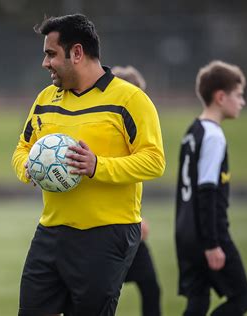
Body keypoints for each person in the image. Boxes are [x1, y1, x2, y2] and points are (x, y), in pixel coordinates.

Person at [11, 14, 165, 316]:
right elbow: (23, 147)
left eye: (51, 53)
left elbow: (154, 161)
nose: (45, 63)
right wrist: (26, 166)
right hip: (51, 231)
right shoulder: (45, 99)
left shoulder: (130, 99)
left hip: (107, 235)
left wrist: (97, 166)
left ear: (77, 53)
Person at [175, 60, 247, 316]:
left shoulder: (192, 131)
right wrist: (212, 243)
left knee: (198, 303)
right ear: (220, 97)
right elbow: (207, 191)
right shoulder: (214, 135)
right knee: (241, 298)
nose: (242, 102)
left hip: (185, 232)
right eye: (238, 95)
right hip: (207, 234)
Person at [111, 65, 162, 316]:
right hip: (111, 231)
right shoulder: (109, 135)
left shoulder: (134, 137)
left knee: (151, 288)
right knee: (103, 295)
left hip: (131, 228)